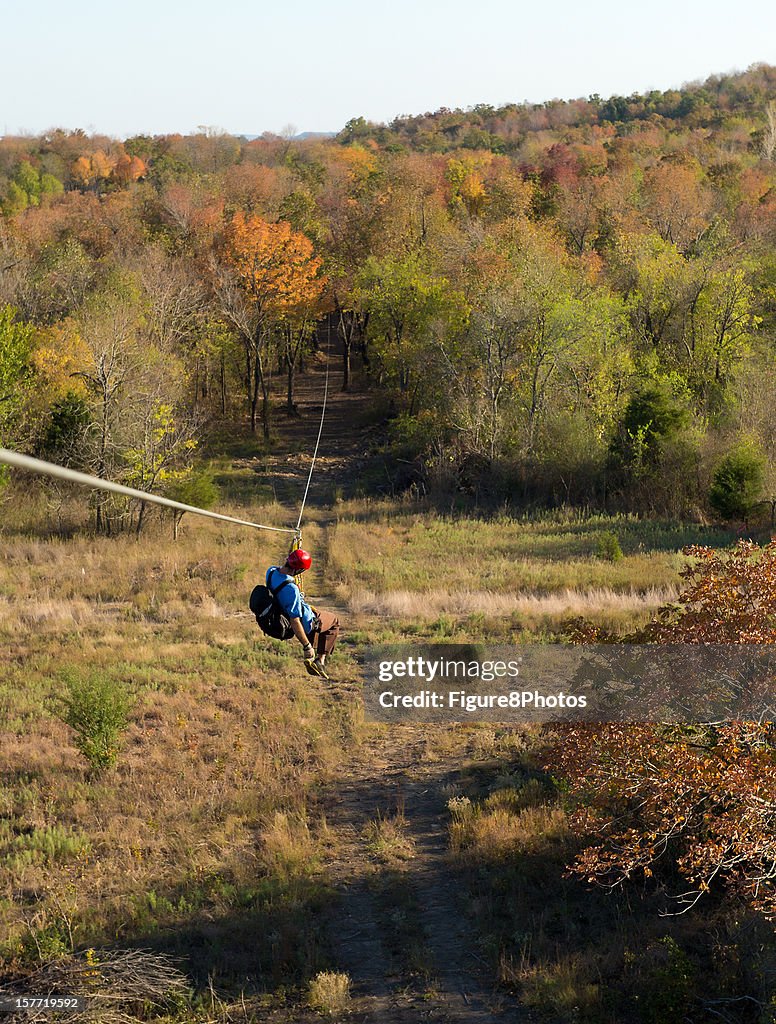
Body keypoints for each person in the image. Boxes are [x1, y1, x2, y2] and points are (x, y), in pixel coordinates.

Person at [266, 548, 339, 680]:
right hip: (306, 621)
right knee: (333, 621)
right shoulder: (291, 589)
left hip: (285, 608)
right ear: (299, 570)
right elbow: (295, 621)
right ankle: (320, 661)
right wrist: (307, 647)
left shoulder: (271, 572)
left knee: (319, 617)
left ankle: (315, 653)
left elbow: (284, 568)